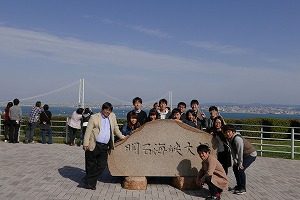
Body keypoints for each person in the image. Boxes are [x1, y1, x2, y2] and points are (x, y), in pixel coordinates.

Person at [82, 102, 127, 190]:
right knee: (90, 165)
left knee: (102, 165)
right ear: (103, 109)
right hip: (94, 144)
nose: (108, 112)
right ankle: (91, 184)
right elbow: (88, 131)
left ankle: (87, 179)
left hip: (105, 146)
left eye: (109, 110)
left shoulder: (112, 116)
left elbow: (116, 129)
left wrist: (123, 137)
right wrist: (85, 144)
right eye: (106, 109)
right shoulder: (94, 117)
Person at [223, 124, 257, 195]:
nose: (227, 133)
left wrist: (240, 163)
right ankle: (238, 185)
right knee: (235, 168)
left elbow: (240, 151)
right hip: (244, 155)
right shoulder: (229, 139)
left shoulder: (237, 139)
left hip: (251, 154)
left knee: (240, 169)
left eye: (229, 132)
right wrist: (235, 160)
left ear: (233, 132)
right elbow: (232, 150)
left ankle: (243, 188)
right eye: (226, 132)